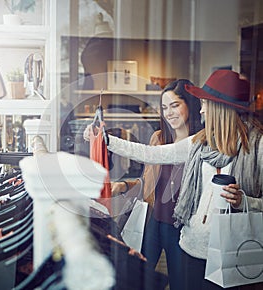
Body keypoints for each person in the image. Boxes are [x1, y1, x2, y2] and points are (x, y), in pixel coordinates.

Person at [84, 69, 263, 290]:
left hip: (231, 251)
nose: (201, 108)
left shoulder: (257, 148)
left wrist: (243, 201)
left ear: (220, 108)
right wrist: (106, 140)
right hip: (192, 247)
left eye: (205, 103)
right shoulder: (201, 142)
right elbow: (153, 154)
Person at [110, 79, 203, 290]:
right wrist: (123, 186)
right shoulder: (159, 139)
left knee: (182, 284)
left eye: (175, 105)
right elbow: (148, 183)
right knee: (138, 279)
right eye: (164, 107)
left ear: (190, 104)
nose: (169, 113)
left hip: (182, 228)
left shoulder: (201, 144)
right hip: (154, 220)